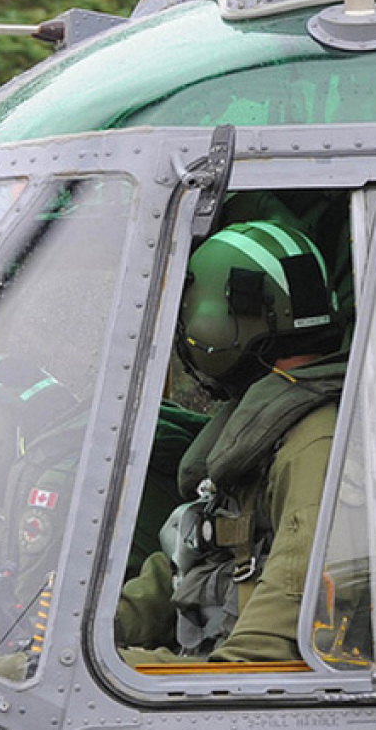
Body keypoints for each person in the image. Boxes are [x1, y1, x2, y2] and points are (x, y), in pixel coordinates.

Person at [116, 218, 348, 666]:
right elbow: (196, 566)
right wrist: (105, 626)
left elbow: (262, 657)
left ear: (221, 321)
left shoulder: (314, 442)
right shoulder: (264, 429)